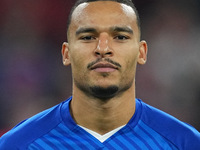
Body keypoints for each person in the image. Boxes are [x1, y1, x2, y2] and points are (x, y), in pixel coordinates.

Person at [0, 0, 200, 149]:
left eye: (120, 37)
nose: (103, 48)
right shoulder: (18, 144)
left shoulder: (185, 142)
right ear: (66, 53)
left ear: (142, 52)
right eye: (88, 37)